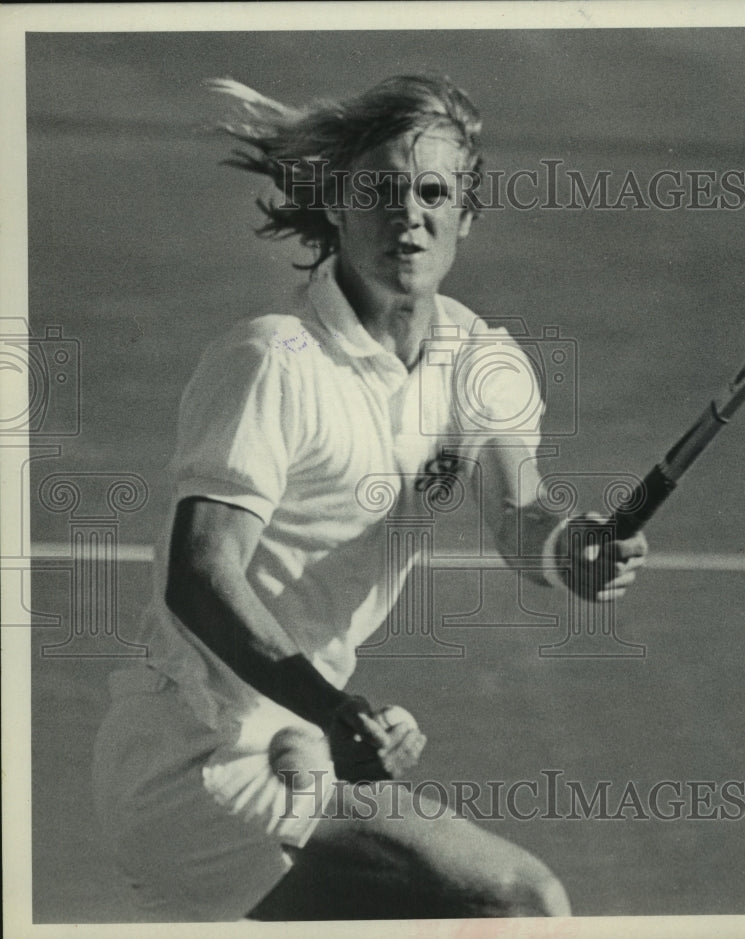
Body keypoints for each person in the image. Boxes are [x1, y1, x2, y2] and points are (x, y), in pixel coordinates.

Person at [91, 74, 648, 922]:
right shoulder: (272, 363)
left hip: (300, 742)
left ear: (468, 215)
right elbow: (201, 575)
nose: (409, 214)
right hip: (190, 760)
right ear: (338, 209)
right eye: (380, 192)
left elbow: (520, 516)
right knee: (516, 903)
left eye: (433, 192)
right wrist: (336, 707)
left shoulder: (481, 360)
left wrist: (570, 548)